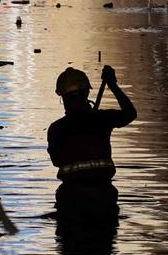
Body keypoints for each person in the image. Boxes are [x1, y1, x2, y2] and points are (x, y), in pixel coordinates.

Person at [47, 65, 136, 219]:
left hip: (71, 200)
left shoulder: (56, 129)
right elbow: (130, 114)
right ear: (86, 93)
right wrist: (113, 85)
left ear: (63, 98)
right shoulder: (102, 119)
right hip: (103, 198)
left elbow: (56, 161)